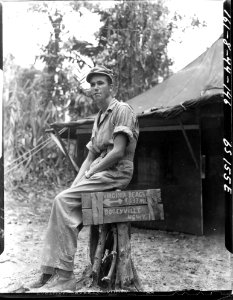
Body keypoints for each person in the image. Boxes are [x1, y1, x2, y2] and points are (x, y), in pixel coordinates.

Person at [29, 66, 139, 292]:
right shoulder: (99, 118)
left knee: (62, 201)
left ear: (111, 86)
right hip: (99, 174)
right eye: (92, 84)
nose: (95, 88)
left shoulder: (122, 110)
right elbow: (89, 158)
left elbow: (118, 151)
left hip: (116, 173)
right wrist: (75, 186)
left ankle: (65, 276)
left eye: (100, 83)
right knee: (62, 202)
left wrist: (90, 174)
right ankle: (50, 271)